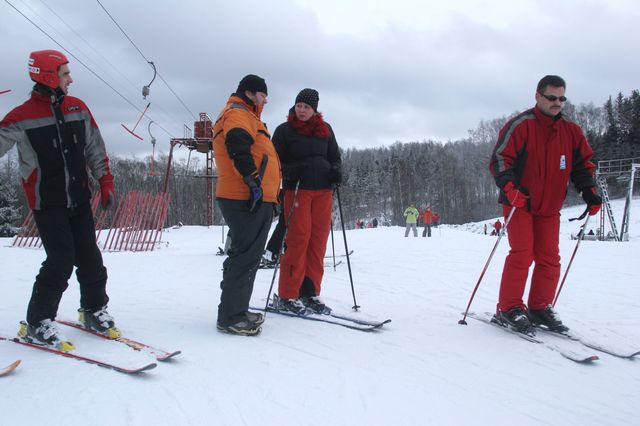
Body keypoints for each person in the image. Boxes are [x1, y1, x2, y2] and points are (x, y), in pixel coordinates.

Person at [0, 50, 119, 351]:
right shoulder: (21, 117)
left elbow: (94, 146)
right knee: (60, 260)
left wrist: (105, 181)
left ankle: (93, 310)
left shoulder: (77, 107)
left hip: (79, 198)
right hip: (48, 203)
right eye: (65, 73)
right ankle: (38, 322)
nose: (71, 79)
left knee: (90, 258)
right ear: (49, 77)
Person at [489, 75, 602, 336]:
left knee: (549, 258)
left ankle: (539, 307)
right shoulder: (521, 125)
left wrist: (589, 191)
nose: (557, 103)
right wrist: (510, 188)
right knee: (522, 253)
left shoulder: (571, 131)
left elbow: (582, 165)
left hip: (550, 206)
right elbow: (500, 160)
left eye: (562, 98)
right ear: (538, 96)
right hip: (519, 203)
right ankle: (509, 308)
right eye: (552, 97)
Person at [212, 74, 280, 335]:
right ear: (250, 93)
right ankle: (231, 316)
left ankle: (236, 309)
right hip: (244, 196)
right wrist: (253, 181)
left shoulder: (246, 115)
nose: (265, 100)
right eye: (263, 95)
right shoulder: (238, 113)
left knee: (245, 255)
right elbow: (237, 144)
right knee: (246, 256)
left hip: (249, 195)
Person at [273, 88, 342, 315]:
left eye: (306, 107)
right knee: (298, 239)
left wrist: (336, 171)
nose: (301, 110)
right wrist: (292, 170)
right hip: (297, 190)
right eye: (299, 106)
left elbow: (335, 157)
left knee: (318, 241)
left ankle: (309, 292)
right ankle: (287, 294)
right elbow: (274, 163)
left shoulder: (326, 129)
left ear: (315, 110)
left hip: (323, 190)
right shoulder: (284, 131)